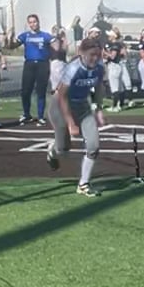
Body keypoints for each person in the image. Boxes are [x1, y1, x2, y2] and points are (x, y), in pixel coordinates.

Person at [46, 33, 106, 198]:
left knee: (93, 146)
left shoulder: (99, 68)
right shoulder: (73, 69)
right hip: (60, 106)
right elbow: (62, 96)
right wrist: (71, 123)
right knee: (63, 148)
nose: (95, 58)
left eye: (98, 55)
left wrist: (99, 109)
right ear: (81, 53)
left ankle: (83, 184)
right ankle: (53, 150)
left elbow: (99, 87)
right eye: (92, 55)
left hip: (82, 106)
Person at [15, 13, 54, 125]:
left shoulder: (46, 36)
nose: (33, 24)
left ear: (38, 22)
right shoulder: (25, 36)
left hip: (42, 64)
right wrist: (8, 39)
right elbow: (12, 45)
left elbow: (56, 46)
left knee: (41, 91)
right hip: (29, 64)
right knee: (25, 91)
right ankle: (26, 114)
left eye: (35, 22)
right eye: (31, 22)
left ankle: (41, 116)